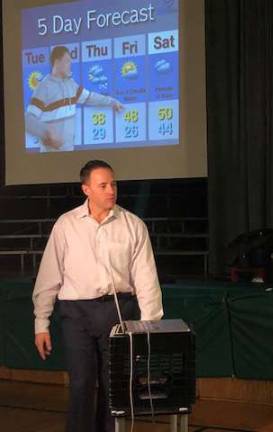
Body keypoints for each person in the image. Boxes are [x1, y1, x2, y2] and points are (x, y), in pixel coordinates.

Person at [32, 160, 163, 432]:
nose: (111, 190)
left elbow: (147, 279)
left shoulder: (132, 225)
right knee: (81, 382)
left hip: (118, 310)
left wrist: (150, 326)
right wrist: (41, 322)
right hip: (76, 313)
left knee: (113, 384)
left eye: (113, 184)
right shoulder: (67, 224)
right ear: (86, 189)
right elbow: (49, 275)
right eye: (102, 185)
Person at [25, 46, 123, 152]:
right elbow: (28, 120)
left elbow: (90, 97)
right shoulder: (44, 87)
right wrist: (46, 132)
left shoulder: (71, 85)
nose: (70, 65)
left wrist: (112, 102)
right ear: (57, 62)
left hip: (70, 153)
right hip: (50, 157)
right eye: (67, 61)